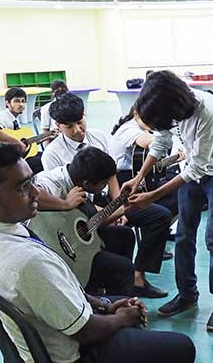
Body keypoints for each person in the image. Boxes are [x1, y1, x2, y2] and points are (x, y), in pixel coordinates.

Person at [0, 143, 195, 363]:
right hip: (72, 352)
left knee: (120, 291)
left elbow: (60, 297)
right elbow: (85, 331)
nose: (35, 193)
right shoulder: (26, 263)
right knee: (183, 347)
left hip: (58, 324)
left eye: (31, 182)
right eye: (22, 187)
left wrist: (104, 304)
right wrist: (124, 318)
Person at [123, 70, 213, 332]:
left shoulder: (206, 111)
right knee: (184, 236)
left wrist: (153, 196)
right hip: (195, 169)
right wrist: (139, 177)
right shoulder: (170, 109)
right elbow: (162, 141)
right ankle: (187, 294)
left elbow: (197, 169)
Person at [43, 96, 171, 298]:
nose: (77, 130)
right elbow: (64, 197)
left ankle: (137, 276)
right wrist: (105, 214)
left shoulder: (99, 136)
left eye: (80, 121)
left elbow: (110, 173)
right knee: (122, 235)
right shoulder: (51, 154)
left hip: (105, 200)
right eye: (69, 126)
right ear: (58, 126)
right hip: (79, 212)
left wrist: (117, 204)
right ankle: (109, 283)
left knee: (160, 216)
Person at [110, 106, 180, 219]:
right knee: (179, 190)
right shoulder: (128, 129)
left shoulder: (144, 128)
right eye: (148, 117)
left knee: (177, 181)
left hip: (140, 178)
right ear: (136, 114)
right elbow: (149, 142)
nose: (152, 122)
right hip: (125, 183)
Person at [0, 87, 43, 173]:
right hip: (5, 161)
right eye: (16, 101)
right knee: (41, 161)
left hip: (15, 156)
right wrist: (17, 142)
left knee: (43, 155)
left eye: (23, 101)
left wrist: (46, 137)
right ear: (7, 103)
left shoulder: (15, 119)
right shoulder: (4, 115)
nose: (21, 104)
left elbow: (23, 143)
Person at [40, 79, 69, 145]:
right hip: (56, 140)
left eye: (63, 90)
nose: (61, 93)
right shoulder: (46, 108)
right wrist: (46, 149)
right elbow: (45, 130)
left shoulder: (73, 105)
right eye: (57, 91)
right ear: (53, 93)